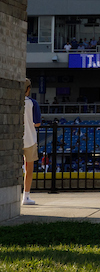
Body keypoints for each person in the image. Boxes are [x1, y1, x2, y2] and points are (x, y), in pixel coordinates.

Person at [22, 78, 41, 206]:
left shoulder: (14, 102)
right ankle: (26, 196)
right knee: (29, 169)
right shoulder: (33, 103)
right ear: (28, 89)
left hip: (16, 139)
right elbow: (37, 123)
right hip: (29, 139)